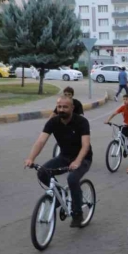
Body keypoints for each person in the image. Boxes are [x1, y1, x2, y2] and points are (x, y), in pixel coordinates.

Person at [24, 96, 93, 227]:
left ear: (72, 108)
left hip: (83, 158)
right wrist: (31, 158)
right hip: (64, 156)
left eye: (65, 107)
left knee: (72, 179)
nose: (61, 109)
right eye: (59, 107)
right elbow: (41, 141)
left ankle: (78, 214)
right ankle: (60, 194)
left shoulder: (82, 122)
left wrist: (78, 161)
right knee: (42, 173)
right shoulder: (53, 122)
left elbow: (85, 145)